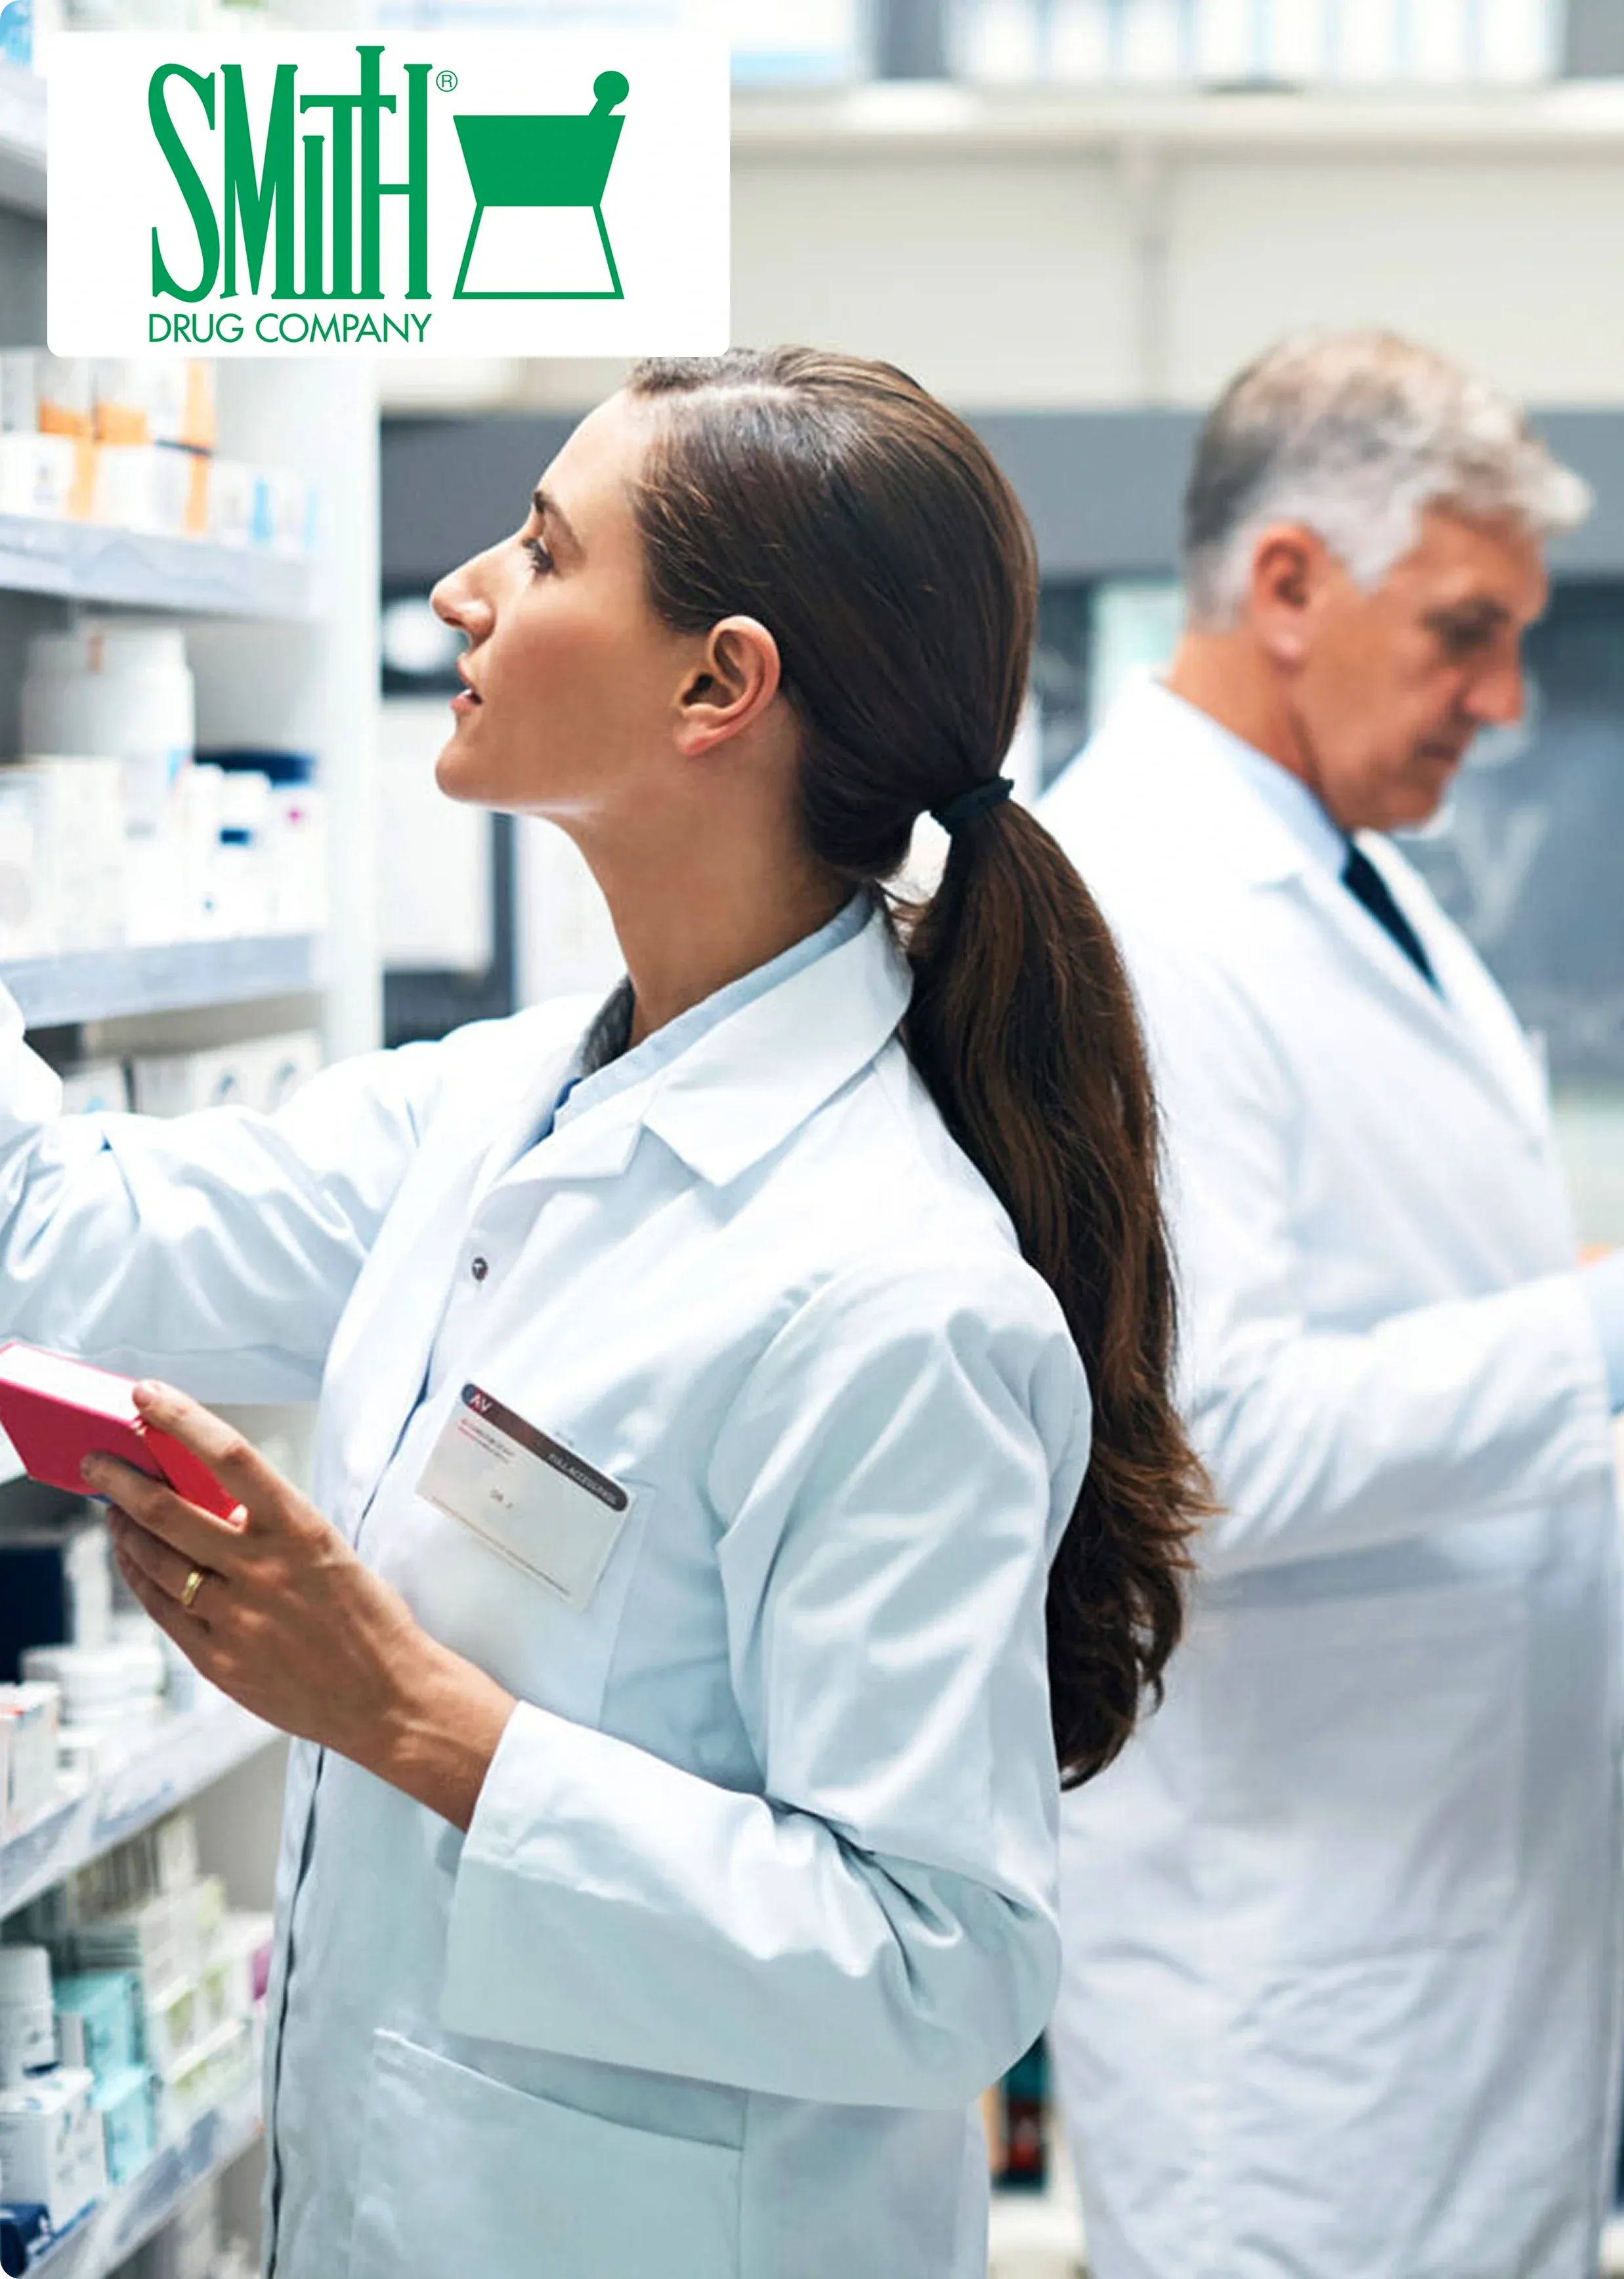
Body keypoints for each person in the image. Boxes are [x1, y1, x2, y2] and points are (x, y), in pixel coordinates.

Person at [0, 349, 1207, 2279]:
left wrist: (410, 1718)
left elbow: (940, 1964)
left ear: (719, 686)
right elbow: (50, 1234)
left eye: (545, 552)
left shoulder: (894, 1292)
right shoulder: (498, 1108)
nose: (459, 591)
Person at [1038, 331, 1624, 2279]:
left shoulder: (1344, 870)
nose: (1503, 702)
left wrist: (1621, 1308)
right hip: (1296, 1989)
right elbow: (1205, 1448)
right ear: (1285, 584)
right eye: (1462, 635)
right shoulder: (1142, 912)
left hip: (1434, 1919)